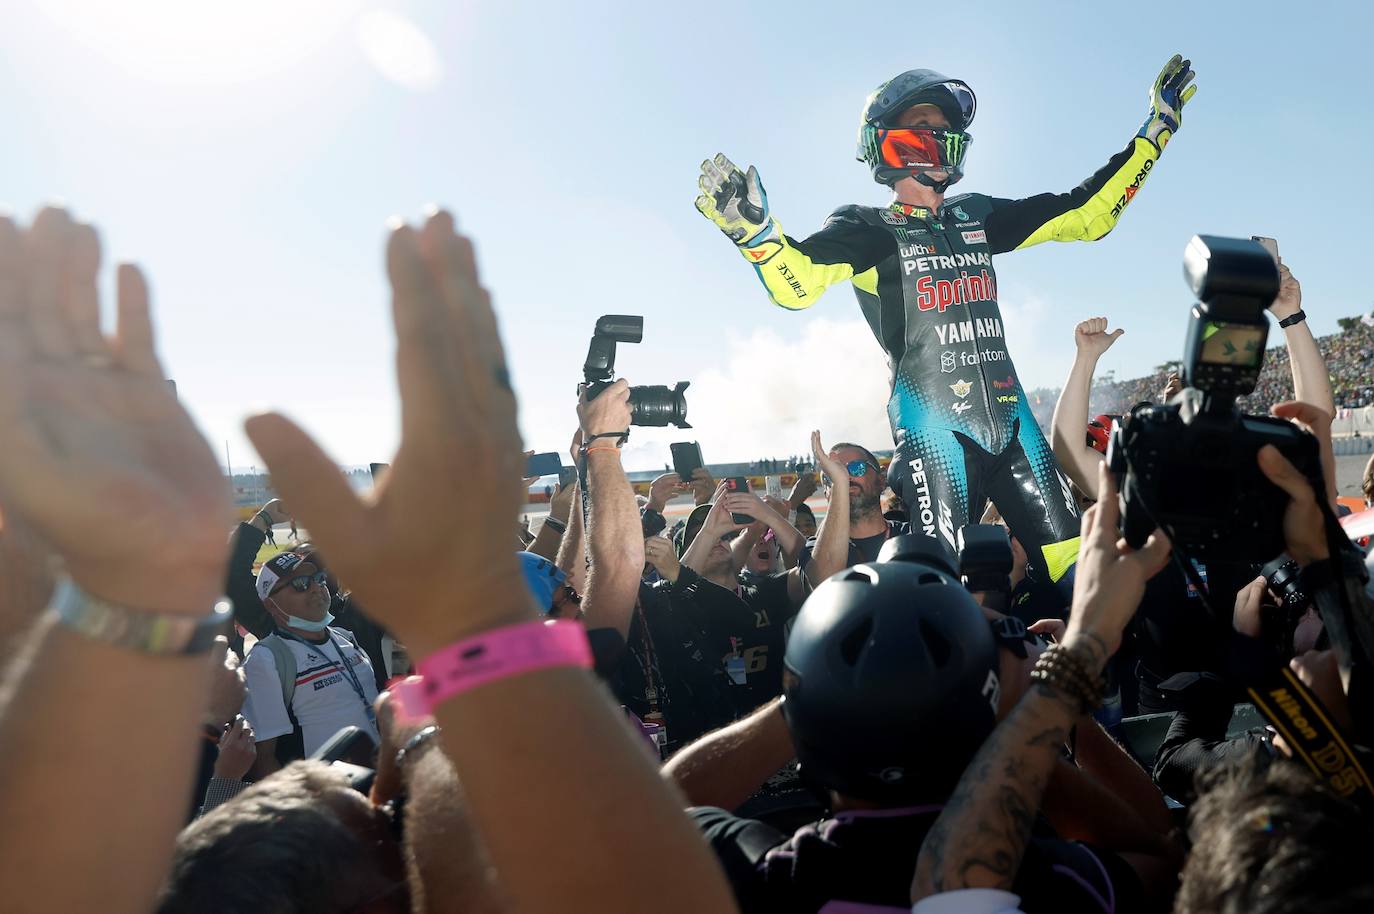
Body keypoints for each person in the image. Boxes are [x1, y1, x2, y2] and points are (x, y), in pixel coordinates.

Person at [697, 57, 1198, 599]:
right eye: (928, 125)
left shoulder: (975, 214)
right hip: (935, 439)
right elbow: (801, 284)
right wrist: (757, 236)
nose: (944, 135)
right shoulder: (868, 226)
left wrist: (1157, 129)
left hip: (1015, 428)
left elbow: (1087, 213)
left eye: (947, 127)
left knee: (1082, 576)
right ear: (891, 141)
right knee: (942, 597)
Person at [240, 550, 381, 772]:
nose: (316, 588)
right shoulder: (266, 659)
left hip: (376, 785)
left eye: (319, 579)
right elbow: (263, 759)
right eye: (300, 583)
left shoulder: (346, 638)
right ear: (270, 604)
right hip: (325, 797)